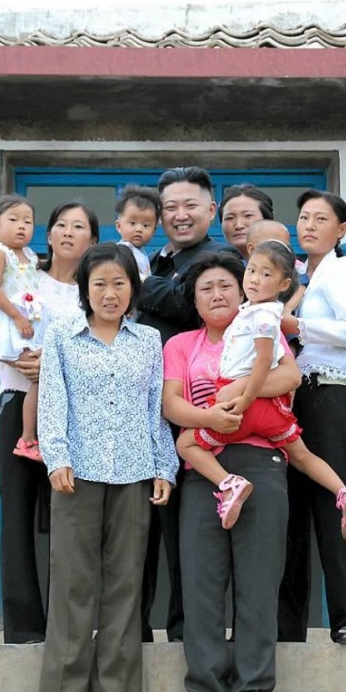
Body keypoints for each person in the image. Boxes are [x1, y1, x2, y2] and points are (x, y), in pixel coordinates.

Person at [38, 243, 179, 692]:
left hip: (135, 472)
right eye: (99, 283)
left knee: (125, 580)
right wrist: (56, 458)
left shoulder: (149, 342)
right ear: (84, 289)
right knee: (75, 577)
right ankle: (69, 681)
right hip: (76, 471)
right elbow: (53, 403)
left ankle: (115, 683)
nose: (110, 292)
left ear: (133, 290)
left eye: (119, 283)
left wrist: (165, 467)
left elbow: (154, 410)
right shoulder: (61, 336)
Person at [163, 250, 302, 692]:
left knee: (258, 580)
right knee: (201, 581)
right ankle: (206, 690)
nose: (218, 293)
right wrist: (212, 417)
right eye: (207, 288)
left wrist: (236, 395)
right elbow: (171, 405)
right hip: (205, 469)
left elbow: (289, 376)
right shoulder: (181, 345)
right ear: (195, 301)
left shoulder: (259, 325)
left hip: (262, 460)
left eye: (226, 284)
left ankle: (252, 688)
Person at [176, 240, 346, 538]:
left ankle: (229, 484)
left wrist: (245, 396)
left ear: (283, 283)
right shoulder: (260, 311)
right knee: (302, 457)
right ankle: (343, 492)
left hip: (245, 402)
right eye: (251, 271)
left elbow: (264, 360)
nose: (254, 279)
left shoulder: (261, 317)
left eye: (265, 275)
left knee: (186, 444)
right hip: (273, 413)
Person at [136, 166, 235, 642]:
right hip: (143, 413)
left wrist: (144, 287)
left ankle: (182, 630)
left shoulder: (216, 260)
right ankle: (134, 628)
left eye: (190, 205)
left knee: (183, 531)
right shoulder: (157, 261)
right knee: (140, 527)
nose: (179, 215)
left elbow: (180, 302)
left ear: (211, 210)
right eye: (170, 207)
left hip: (194, 416)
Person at [0, 199, 98, 644]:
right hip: (19, 400)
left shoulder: (95, 291)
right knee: (16, 513)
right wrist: (23, 361)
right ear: (48, 234)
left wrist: (55, 369)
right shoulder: (21, 276)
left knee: (68, 518)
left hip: (73, 414)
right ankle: (23, 628)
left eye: (79, 226)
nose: (68, 232)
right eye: (60, 225)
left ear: (93, 240)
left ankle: (67, 625)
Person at [278, 190, 346, 646]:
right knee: (287, 513)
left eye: (321, 218)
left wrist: (298, 327)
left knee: (332, 503)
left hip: (327, 391)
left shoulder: (345, 269)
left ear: (341, 230)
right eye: (303, 217)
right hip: (286, 397)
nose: (309, 225)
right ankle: (285, 629)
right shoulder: (296, 276)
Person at [0, 195, 48, 462]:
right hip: (9, 322)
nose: (21, 226)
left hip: (30, 320)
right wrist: (16, 316)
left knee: (38, 379)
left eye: (28, 222)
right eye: (13, 220)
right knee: (38, 377)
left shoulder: (29, 255)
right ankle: (27, 438)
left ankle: (31, 436)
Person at [115, 184, 161, 279]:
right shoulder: (120, 254)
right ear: (119, 226)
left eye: (145, 225)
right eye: (132, 223)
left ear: (154, 230)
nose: (139, 229)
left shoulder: (142, 254)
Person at [219, 183, 275, 258]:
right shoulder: (211, 267)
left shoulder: (287, 267)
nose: (239, 225)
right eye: (230, 218)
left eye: (248, 215)